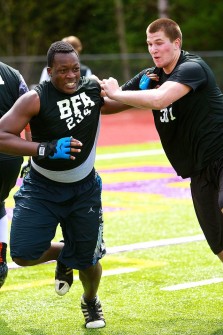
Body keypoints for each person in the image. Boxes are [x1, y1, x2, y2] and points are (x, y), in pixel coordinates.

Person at [0, 40, 118, 330]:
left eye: (75, 69)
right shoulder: (35, 98)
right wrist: (45, 148)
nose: (70, 75)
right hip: (42, 187)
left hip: (84, 188)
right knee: (24, 255)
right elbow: (2, 134)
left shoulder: (91, 88)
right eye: (63, 70)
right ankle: (66, 252)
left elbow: (125, 100)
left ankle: (90, 301)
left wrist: (142, 84)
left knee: (89, 260)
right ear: (49, 71)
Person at [101, 18, 223, 265]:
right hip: (198, 170)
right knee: (219, 245)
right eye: (149, 44)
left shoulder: (192, 67)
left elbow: (159, 99)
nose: (153, 50)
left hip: (221, 155)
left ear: (176, 43)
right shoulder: (150, 76)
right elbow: (109, 105)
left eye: (159, 43)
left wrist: (115, 91)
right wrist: (87, 87)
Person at [0, 61, 30, 288]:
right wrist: (34, 157)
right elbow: (31, 119)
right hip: (10, 158)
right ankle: (0, 259)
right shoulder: (12, 73)